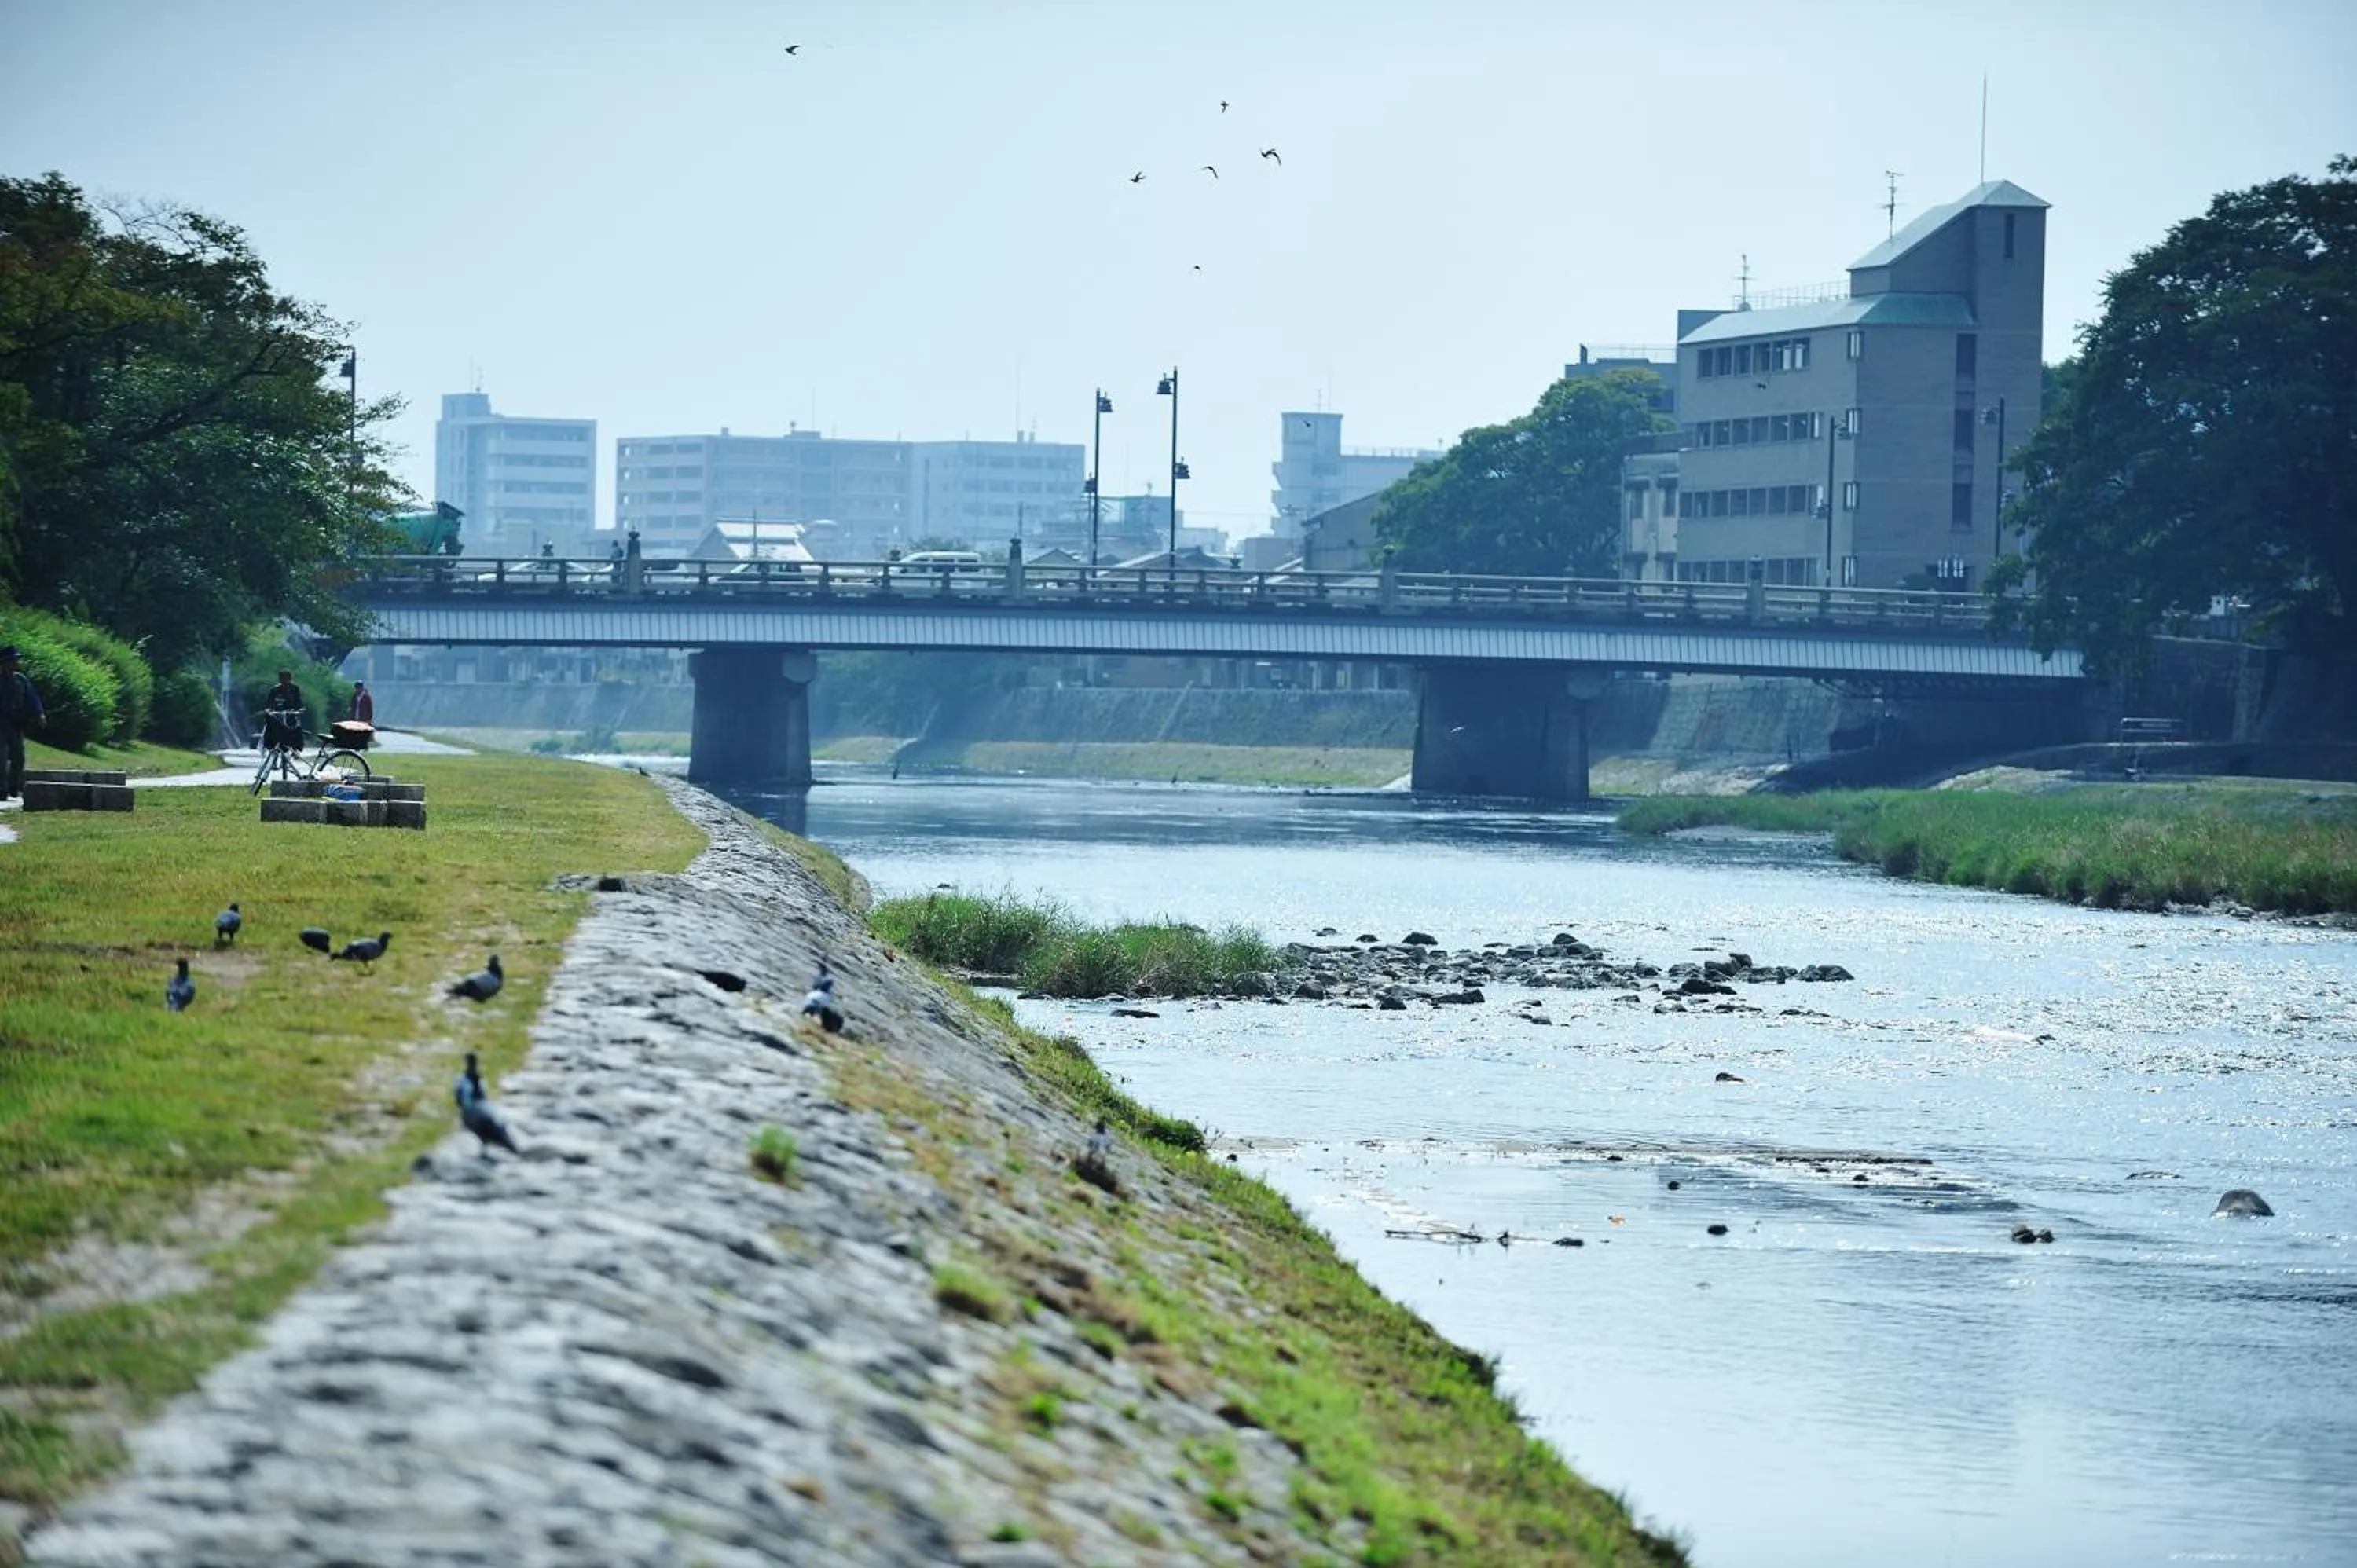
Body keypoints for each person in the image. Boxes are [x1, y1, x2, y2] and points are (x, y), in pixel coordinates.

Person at [1, 644, 47, 800]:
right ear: (4, 663)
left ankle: (14, 786)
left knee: (18, 757)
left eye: (17, 660)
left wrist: (39, 714)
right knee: (1, 756)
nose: (16, 663)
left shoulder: (21, 680)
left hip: (15, 725)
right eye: (13, 661)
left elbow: (32, 698)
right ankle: (2, 789)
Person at [261, 669, 305, 753]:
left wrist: (300, 710)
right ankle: (270, 745)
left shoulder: (295, 689)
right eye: (282, 679)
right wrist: (268, 711)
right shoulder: (274, 690)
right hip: (277, 716)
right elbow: (269, 704)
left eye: (287, 678)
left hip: (290, 715)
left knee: (295, 728)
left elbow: (299, 703)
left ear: (290, 679)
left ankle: (296, 748)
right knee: (270, 726)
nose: (285, 681)